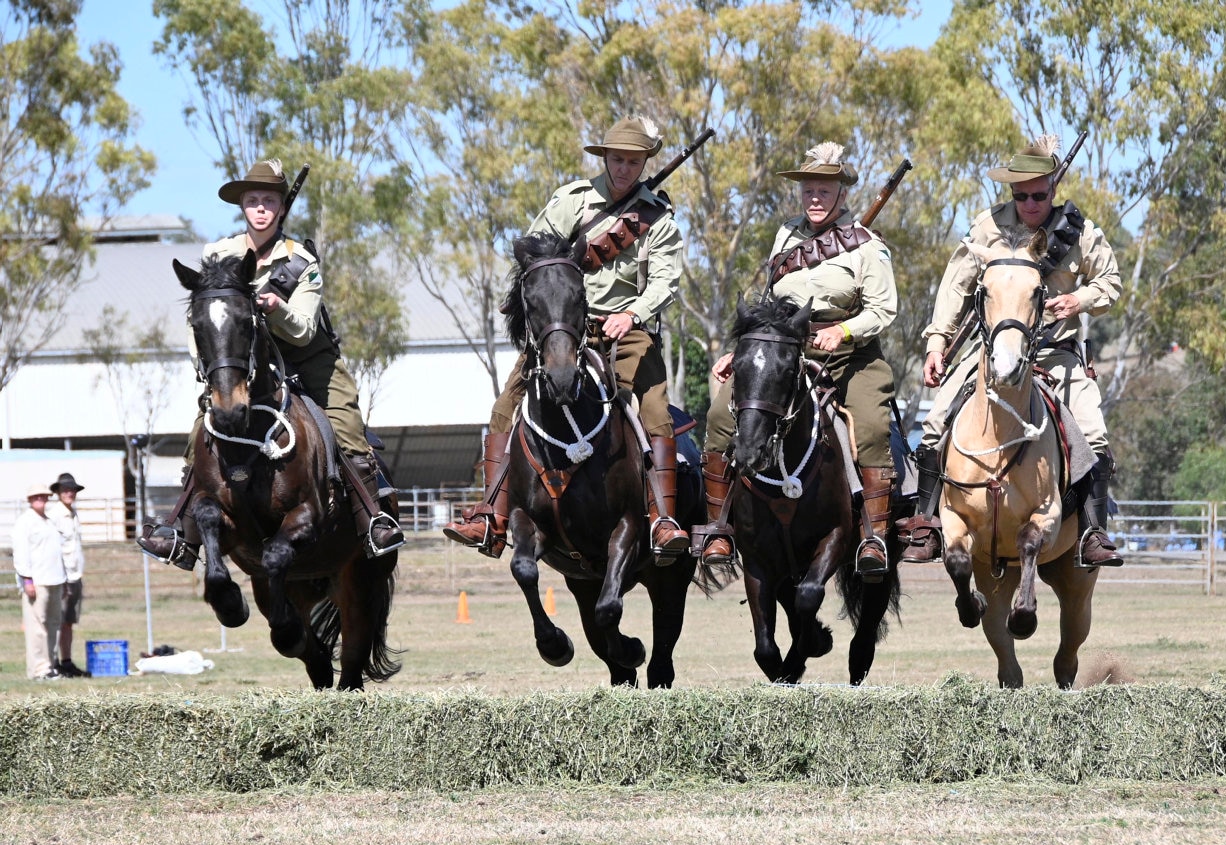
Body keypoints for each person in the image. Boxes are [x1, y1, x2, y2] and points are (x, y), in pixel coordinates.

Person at [443, 116, 691, 565]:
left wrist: (632, 313)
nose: (624, 169)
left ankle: (662, 519)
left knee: (655, 412)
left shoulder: (658, 217)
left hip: (626, 331)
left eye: (633, 162)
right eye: (617, 160)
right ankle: (492, 519)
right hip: (563, 327)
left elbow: (666, 282)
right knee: (504, 406)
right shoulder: (572, 201)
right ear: (605, 158)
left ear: (643, 163)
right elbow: (536, 255)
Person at [138, 159, 404, 568]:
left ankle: (373, 518)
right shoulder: (218, 254)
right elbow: (203, 322)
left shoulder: (301, 261)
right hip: (241, 365)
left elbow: (302, 330)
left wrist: (276, 307)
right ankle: (182, 533)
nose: (260, 208)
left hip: (306, 359)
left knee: (347, 428)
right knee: (201, 433)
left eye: (268, 201)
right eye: (252, 201)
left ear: (281, 208)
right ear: (242, 207)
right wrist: (209, 370)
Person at [903, 133, 1124, 567]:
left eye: (1038, 195)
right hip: (989, 353)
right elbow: (955, 287)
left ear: (1053, 189)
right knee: (933, 423)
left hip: (1054, 353)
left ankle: (1093, 533)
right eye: (1020, 195)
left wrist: (1077, 301)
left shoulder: (1081, 233)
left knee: (1094, 432)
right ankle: (926, 523)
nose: (1029, 204)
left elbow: (1111, 284)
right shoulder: (988, 226)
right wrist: (936, 343)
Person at [696, 142, 899, 576]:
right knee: (718, 415)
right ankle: (717, 528)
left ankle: (874, 538)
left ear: (842, 195)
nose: (815, 199)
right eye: (808, 190)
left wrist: (842, 330)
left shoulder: (868, 247)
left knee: (870, 423)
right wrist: (743, 350)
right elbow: (770, 304)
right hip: (782, 350)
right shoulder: (787, 236)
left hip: (851, 355)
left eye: (824, 192)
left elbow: (883, 311)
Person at [11, 482, 66, 680]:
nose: (40, 499)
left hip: (55, 579)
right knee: (37, 627)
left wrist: (64, 580)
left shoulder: (49, 521)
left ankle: (50, 665)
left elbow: (58, 552)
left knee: (53, 624)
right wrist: (27, 580)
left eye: (43, 496)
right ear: (30, 499)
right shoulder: (25, 522)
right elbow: (21, 554)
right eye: (36, 496)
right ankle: (38, 669)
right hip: (37, 581)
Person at [48, 472, 90, 677]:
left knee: (68, 621)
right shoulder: (54, 516)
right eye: (65, 490)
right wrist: (60, 577)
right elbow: (53, 549)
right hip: (62, 576)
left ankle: (66, 661)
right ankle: (53, 662)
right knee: (57, 620)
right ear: (57, 492)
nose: (69, 493)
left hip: (75, 575)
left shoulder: (73, 514)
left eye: (72, 490)